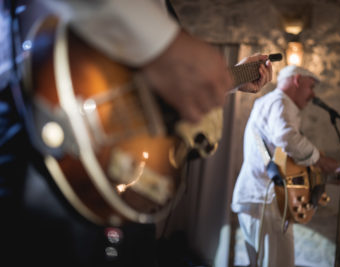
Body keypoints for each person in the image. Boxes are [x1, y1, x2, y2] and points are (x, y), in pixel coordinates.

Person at [0, 0, 273, 266]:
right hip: (46, 127)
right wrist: (165, 45)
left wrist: (231, 79)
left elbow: (148, 91)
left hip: (126, 184)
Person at [231, 65, 340, 267]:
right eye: (311, 86)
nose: (313, 94)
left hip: (264, 200)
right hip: (264, 200)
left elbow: (284, 152)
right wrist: (322, 161)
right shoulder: (280, 102)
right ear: (297, 80)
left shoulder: (272, 102)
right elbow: (287, 138)